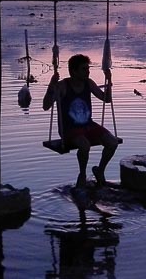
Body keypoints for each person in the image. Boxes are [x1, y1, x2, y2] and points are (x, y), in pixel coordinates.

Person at [43, 54, 119, 187]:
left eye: (88, 68)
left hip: (88, 125)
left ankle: (99, 171)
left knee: (112, 142)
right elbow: (46, 106)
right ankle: (82, 174)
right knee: (84, 145)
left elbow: (106, 99)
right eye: (84, 69)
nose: (88, 72)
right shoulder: (62, 86)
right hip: (69, 128)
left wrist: (108, 81)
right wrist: (51, 85)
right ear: (73, 71)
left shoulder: (89, 83)